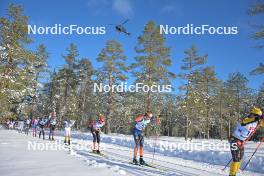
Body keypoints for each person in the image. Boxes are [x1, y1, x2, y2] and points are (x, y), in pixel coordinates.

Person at [229, 107, 264, 176]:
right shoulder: (246, 119)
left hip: (242, 142)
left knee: (240, 158)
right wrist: (257, 118)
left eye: (253, 115)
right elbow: (245, 121)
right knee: (236, 159)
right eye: (252, 114)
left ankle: (234, 172)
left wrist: (261, 118)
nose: (251, 115)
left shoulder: (258, 122)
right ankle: (232, 174)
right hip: (234, 140)